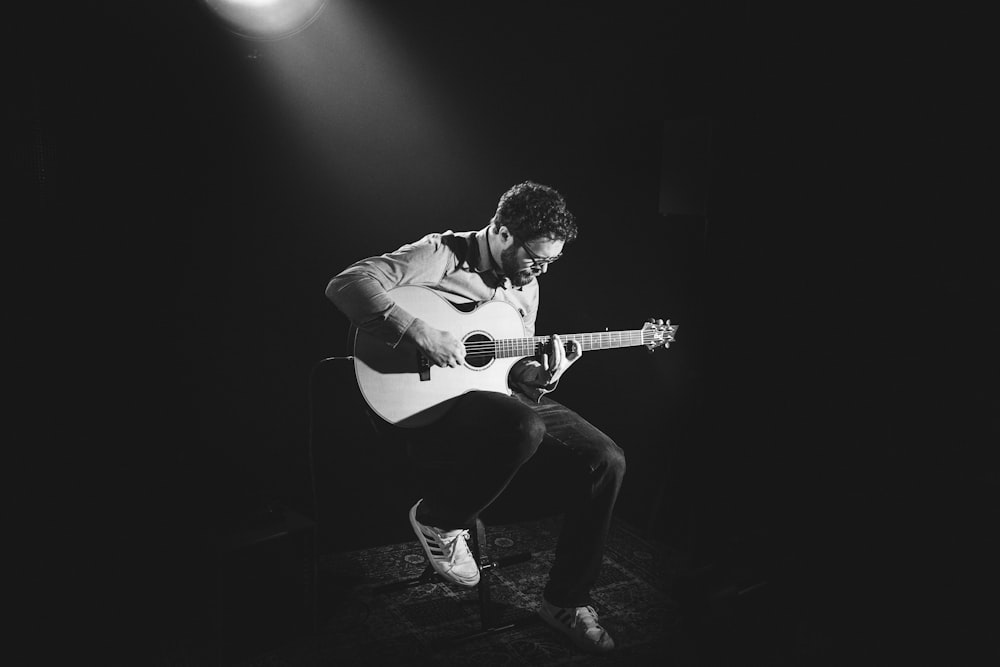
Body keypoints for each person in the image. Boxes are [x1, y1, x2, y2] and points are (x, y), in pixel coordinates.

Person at [326, 181, 625, 653]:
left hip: (494, 401)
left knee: (606, 459)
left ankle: (565, 601)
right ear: (503, 232)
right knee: (524, 425)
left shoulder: (528, 285)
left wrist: (543, 375)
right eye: (535, 257)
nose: (541, 270)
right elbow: (347, 284)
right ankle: (440, 519)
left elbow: (511, 369)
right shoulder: (441, 253)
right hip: (426, 406)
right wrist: (419, 331)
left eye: (551, 262)